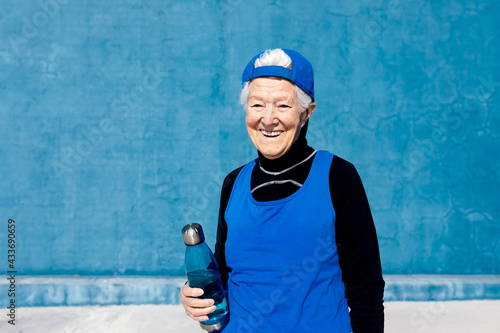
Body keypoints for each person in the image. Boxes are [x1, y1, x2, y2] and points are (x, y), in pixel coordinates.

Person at [180, 48, 384, 332]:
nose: (268, 119)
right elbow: (223, 277)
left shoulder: (338, 177)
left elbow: (366, 289)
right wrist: (193, 296)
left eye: (283, 106)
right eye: (257, 105)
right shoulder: (233, 183)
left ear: (306, 113)